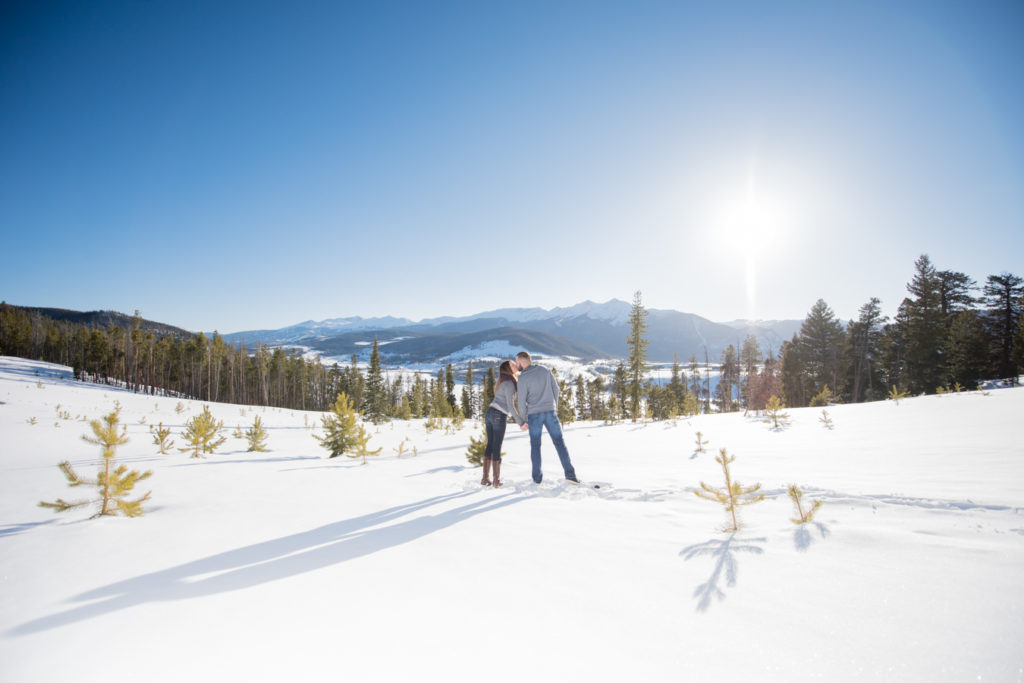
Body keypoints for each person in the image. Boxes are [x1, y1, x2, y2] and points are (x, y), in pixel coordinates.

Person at [515, 351, 579, 484]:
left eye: (517, 362)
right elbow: (556, 389)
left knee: (535, 446)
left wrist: (523, 420)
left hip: (534, 415)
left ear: (522, 361)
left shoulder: (523, 378)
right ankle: (570, 475)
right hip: (550, 412)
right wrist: (553, 406)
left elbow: (521, 402)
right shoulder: (545, 370)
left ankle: (537, 479)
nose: (516, 365)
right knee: (559, 443)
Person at [481, 360, 525, 487]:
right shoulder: (510, 382)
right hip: (498, 415)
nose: (515, 365)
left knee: (490, 445)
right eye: (512, 365)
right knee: (496, 446)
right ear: (507, 369)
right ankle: (496, 481)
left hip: (489, 412)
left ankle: (485, 478)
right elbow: (510, 406)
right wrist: (520, 421)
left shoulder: (503, 381)